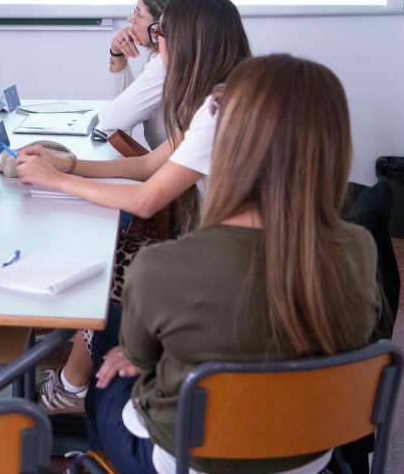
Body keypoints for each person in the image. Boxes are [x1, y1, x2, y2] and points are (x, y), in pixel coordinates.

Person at [90, 54, 387, 474]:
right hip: (309, 455)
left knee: (106, 379)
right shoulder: (359, 249)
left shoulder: (161, 267)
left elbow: (139, 358)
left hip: (187, 460)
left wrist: (133, 353)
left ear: (226, 145)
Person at [17, 0, 251, 415]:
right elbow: (146, 165)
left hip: (229, 265)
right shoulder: (224, 94)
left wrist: (59, 181)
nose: (156, 42)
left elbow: (145, 199)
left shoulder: (217, 109)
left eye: (161, 33)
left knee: (118, 264)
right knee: (120, 253)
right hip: (230, 252)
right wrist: (68, 165)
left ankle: (72, 388)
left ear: (188, 42)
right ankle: (74, 379)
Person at [98, 0, 193, 149]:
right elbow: (121, 107)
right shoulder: (164, 56)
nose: (130, 19)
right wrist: (117, 55)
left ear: (159, 26)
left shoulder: (167, 64)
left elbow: (112, 120)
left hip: (174, 165)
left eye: (138, 14)